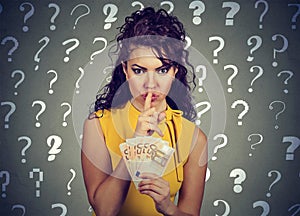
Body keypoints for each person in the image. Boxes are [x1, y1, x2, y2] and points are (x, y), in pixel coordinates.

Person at [81, 7, 207, 216]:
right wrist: (136, 143)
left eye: (162, 70)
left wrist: (168, 206)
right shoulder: (98, 124)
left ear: (175, 71)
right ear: (125, 70)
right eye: (139, 70)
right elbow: (104, 211)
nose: (151, 83)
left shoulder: (195, 139)